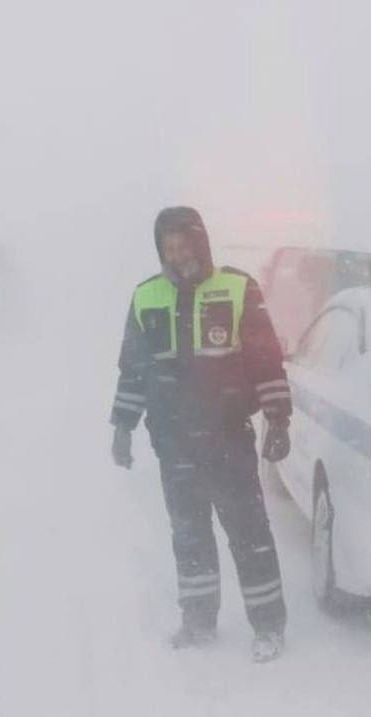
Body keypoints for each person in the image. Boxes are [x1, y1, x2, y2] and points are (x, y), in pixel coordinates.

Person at [109, 206, 292, 663]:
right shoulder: (146, 296)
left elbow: (265, 359)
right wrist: (122, 427)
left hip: (228, 438)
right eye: (168, 247)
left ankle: (268, 627)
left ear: (200, 243)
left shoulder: (237, 288)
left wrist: (279, 419)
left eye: (183, 244)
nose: (177, 255)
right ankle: (199, 621)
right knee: (190, 537)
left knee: (249, 535)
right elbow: (133, 371)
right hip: (174, 444)